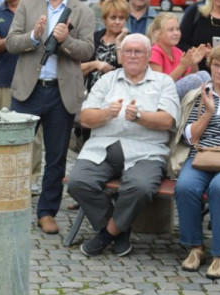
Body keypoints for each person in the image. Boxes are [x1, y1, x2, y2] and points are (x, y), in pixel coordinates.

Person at [67, 34, 180, 257]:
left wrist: (140, 116)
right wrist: (106, 114)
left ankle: (107, 234)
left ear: (149, 56)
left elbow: (167, 120)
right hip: (102, 148)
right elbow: (86, 117)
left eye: (138, 51)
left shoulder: (163, 82)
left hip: (146, 150)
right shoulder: (106, 81)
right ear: (120, 55)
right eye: (128, 51)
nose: (132, 56)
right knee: (77, 182)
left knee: (140, 187)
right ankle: (121, 228)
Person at [6, 0, 95, 235]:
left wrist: (64, 40)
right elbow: (10, 43)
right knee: (16, 152)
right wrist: (34, 36)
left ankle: (46, 212)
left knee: (55, 158)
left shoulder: (83, 11)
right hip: (28, 92)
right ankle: (11, 206)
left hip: (62, 93)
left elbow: (87, 51)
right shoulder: (27, 5)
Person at [170, 43, 220, 279]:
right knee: (185, 187)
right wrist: (208, 113)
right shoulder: (200, 93)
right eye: (216, 65)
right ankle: (195, 247)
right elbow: (189, 138)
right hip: (202, 154)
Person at [0, 0, 43, 192]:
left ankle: (32, 177)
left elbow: (42, 40)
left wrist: (13, 41)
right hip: (5, 80)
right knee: (5, 131)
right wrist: (22, 40)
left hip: (33, 80)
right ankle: (7, 175)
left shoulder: (35, 9)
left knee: (34, 134)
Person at [147, 13, 210, 98]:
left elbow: (188, 78)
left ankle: (213, 105)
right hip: (161, 95)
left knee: (203, 74)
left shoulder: (178, 51)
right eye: (171, 30)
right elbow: (159, 86)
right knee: (194, 80)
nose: (176, 33)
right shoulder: (154, 52)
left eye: (177, 29)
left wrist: (193, 63)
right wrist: (182, 66)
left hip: (175, 92)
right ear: (158, 33)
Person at [82, 0, 129, 91]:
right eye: (113, 18)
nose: (117, 22)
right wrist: (95, 64)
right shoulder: (94, 38)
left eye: (121, 18)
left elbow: (127, 69)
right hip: (93, 94)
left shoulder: (130, 40)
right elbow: (78, 68)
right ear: (104, 20)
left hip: (118, 95)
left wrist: (118, 42)